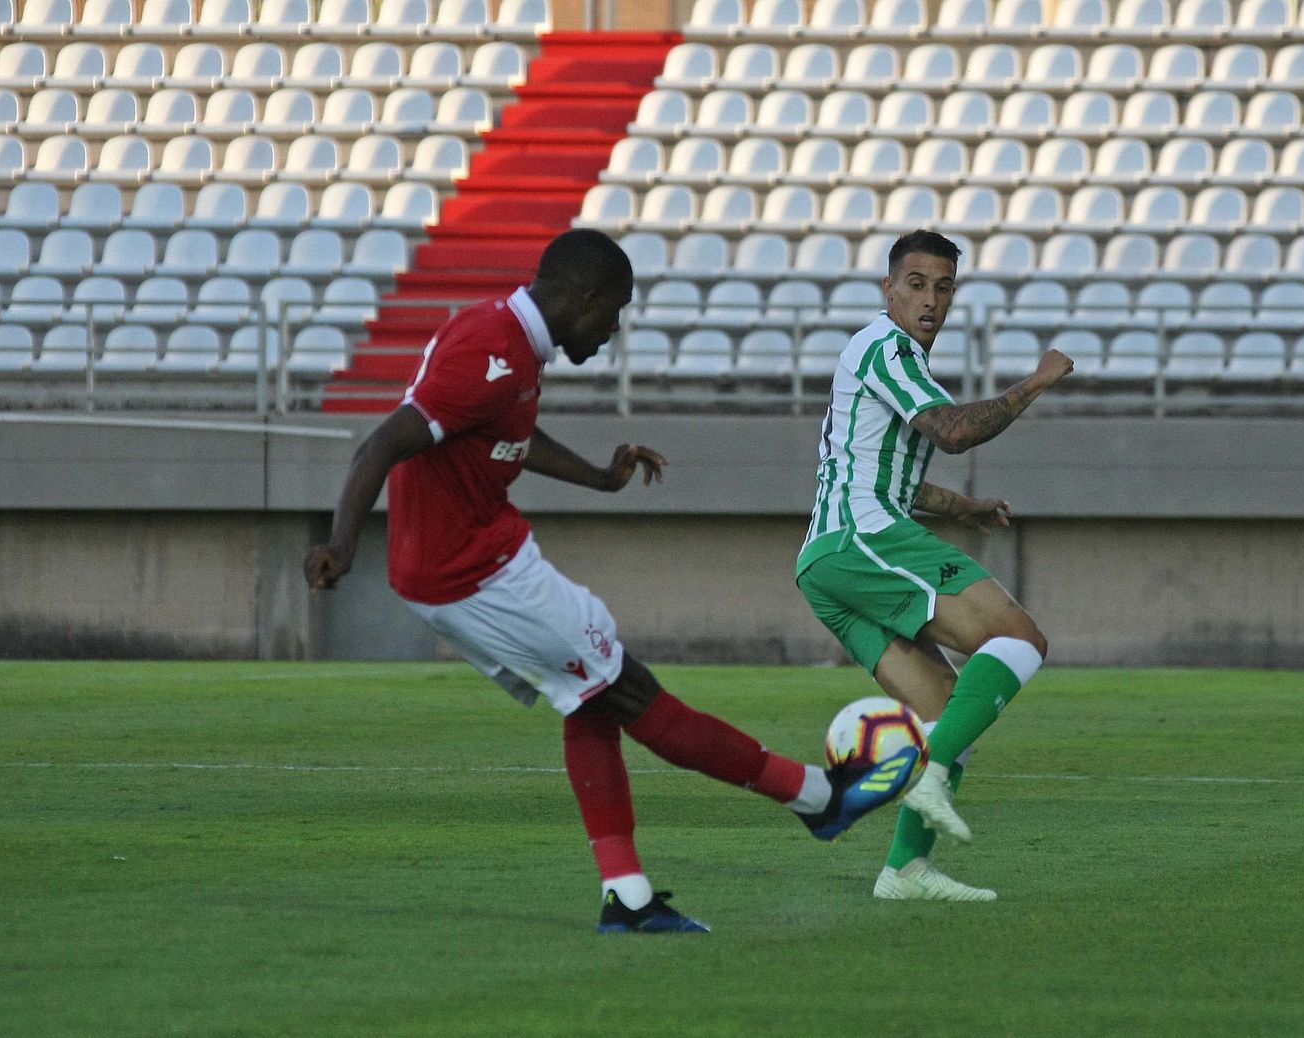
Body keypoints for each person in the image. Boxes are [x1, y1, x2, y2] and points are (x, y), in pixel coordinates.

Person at [304, 229, 918, 934]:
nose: (614, 329)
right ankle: (815, 798)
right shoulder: (489, 349)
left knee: (589, 698)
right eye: (614, 313)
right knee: (629, 689)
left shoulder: (506, 340)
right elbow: (381, 443)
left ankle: (628, 899)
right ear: (584, 297)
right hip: (470, 572)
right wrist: (340, 545)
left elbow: (497, 432)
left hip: (487, 552)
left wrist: (599, 477)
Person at [795, 229, 1074, 902]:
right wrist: (1035, 382)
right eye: (916, 285)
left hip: (828, 559)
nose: (929, 300)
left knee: (948, 713)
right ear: (888, 289)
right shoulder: (888, 347)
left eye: (943, 287)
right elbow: (952, 432)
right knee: (1019, 638)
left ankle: (904, 870)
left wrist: (962, 507)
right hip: (863, 537)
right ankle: (932, 775)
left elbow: (891, 475)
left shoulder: (887, 361)